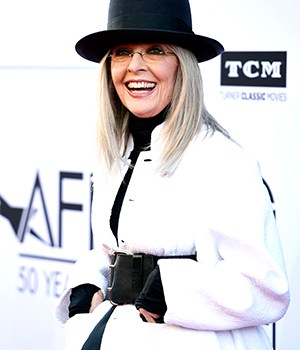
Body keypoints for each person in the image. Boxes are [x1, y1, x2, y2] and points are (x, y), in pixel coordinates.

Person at [55, 0, 290, 349]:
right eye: (122, 52)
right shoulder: (117, 152)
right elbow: (115, 248)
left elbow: (266, 287)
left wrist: (169, 293)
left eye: (155, 50)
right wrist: (88, 283)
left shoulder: (223, 159)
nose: (135, 66)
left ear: (183, 65)